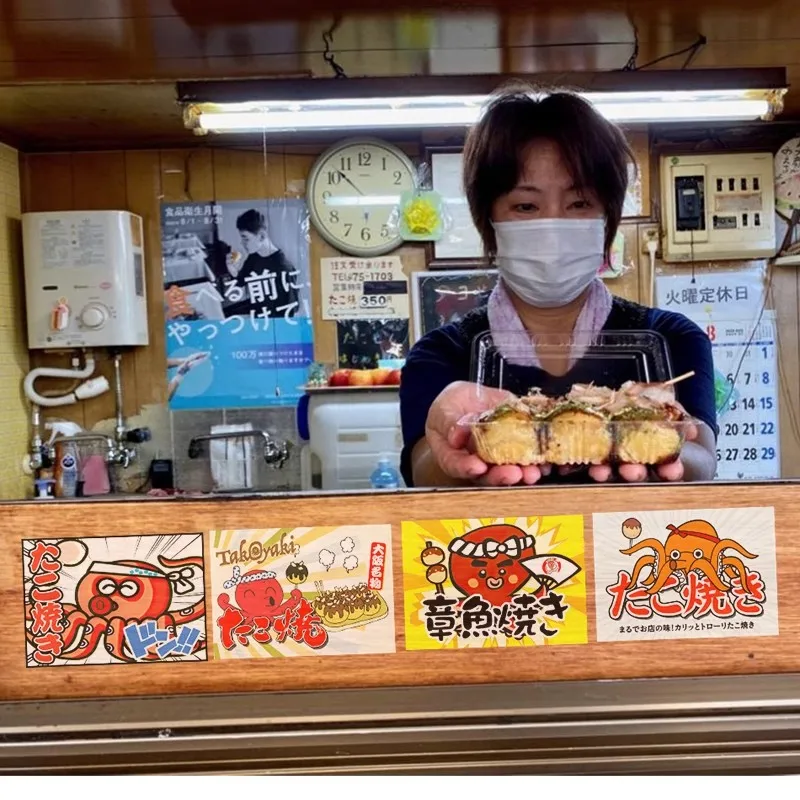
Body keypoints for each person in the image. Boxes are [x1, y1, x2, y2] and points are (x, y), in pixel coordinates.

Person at [400, 87, 717, 489]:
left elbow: (703, 460)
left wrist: (649, 442)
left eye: (579, 203)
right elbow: (423, 468)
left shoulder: (672, 338)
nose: (552, 226)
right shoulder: (442, 354)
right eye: (526, 206)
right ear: (488, 222)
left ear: (607, 219)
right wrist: (460, 441)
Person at [222, 209, 299, 319]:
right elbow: (239, 283)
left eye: (246, 238)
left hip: (270, 322)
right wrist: (233, 271)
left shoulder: (284, 268)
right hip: (256, 314)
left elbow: (289, 313)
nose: (242, 243)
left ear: (262, 236)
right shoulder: (254, 257)